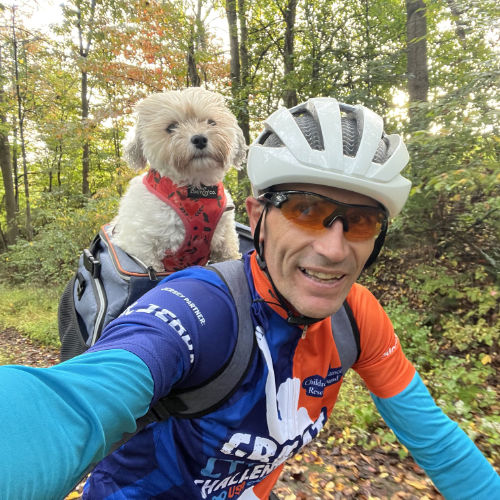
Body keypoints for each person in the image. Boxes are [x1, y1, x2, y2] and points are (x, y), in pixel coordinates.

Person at [0, 97, 499, 500]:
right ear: (257, 216)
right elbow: (75, 400)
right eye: (306, 210)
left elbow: (436, 441)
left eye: (362, 221)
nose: (333, 249)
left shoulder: (355, 316)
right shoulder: (200, 305)